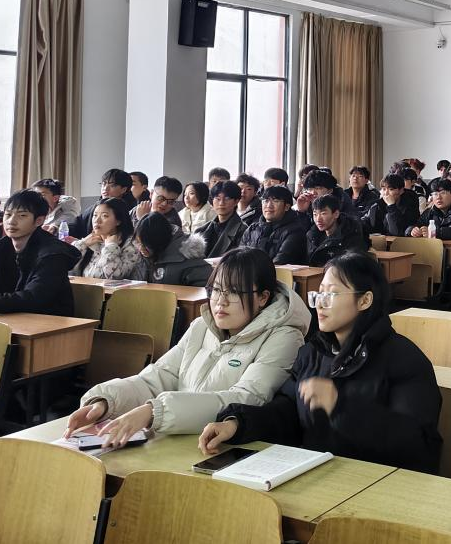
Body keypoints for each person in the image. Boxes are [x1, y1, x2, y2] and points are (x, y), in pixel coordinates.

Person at [199, 253, 442, 472]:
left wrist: (340, 407)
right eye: (319, 293)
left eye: (332, 294)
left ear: (365, 300)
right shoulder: (312, 353)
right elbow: (286, 414)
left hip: (380, 484)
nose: (320, 303)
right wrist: (237, 424)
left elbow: (416, 445)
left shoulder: (405, 360)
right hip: (320, 475)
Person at [65, 248, 310, 450]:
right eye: (216, 290)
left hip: (227, 449)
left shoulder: (285, 337)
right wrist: (108, 401)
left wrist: (154, 412)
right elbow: (161, 375)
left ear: (263, 297)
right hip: (178, 438)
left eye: (234, 291)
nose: (220, 301)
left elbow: (246, 399)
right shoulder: (202, 326)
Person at [71, 196, 144, 280]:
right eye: (95, 215)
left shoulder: (130, 244)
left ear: (118, 221)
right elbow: (67, 267)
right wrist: (82, 244)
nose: (97, 220)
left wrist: (111, 246)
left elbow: (113, 277)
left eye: (104, 216)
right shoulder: (92, 242)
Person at [136, 214, 212, 287]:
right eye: (139, 243)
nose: (141, 248)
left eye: (146, 244)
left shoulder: (191, 260)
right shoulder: (143, 259)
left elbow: (204, 292)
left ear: (157, 241)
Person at [307, 195, 368, 267]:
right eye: (315, 214)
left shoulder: (351, 234)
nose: (318, 219)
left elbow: (353, 266)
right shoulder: (313, 235)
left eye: (323, 213)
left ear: (336, 214)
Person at [71, 169, 132, 239]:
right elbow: (77, 224)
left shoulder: (131, 210)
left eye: (112, 185)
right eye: (103, 184)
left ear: (123, 189)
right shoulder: (96, 206)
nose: (105, 188)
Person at [194, 181, 248, 259]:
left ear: (236, 201)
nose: (221, 203)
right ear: (212, 201)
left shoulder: (243, 230)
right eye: (217, 199)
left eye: (227, 199)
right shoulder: (201, 230)